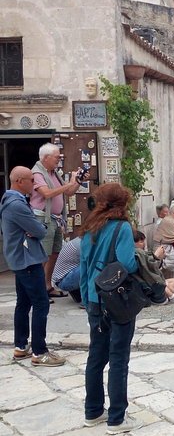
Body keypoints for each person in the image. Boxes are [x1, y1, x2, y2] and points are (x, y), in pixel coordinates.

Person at [79, 183, 143, 433]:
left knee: (96, 357)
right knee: (118, 358)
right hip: (116, 301)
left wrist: (87, 301)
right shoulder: (122, 228)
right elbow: (127, 263)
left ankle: (93, 411)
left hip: (95, 300)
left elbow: (83, 268)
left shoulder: (89, 228)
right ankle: (117, 418)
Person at [1, 166, 65, 366]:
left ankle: (21, 346)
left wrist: (35, 228)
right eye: (31, 180)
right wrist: (38, 228)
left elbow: (34, 228)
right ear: (20, 181)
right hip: (27, 259)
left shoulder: (11, 200)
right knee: (41, 303)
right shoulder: (16, 204)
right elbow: (39, 230)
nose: (34, 184)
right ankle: (39, 351)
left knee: (24, 302)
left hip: (21, 258)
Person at [31, 143, 82, 298]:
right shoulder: (37, 173)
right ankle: (37, 291)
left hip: (56, 220)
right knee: (43, 255)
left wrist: (77, 181)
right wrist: (68, 185)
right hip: (43, 219)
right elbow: (46, 193)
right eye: (57, 157)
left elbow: (69, 192)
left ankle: (47, 286)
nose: (59, 159)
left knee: (54, 254)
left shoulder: (54, 173)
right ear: (46, 158)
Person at [132, 230, 174, 302]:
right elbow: (149, 269)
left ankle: (172, 292)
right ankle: (171, 295)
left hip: (152, 280)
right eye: (141, 242)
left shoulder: (142, 252)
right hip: (148, 282)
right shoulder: (137, 253)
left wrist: (159, 258)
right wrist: (157, 256)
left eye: (143, 241)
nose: (143, 244)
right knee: (160, 283)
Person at [51, 237, 83, 303]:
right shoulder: (81, 244)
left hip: (65, 277)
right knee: (92, 265)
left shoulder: (80, 240)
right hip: (63, 281)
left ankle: (78, 293)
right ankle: (87, 300)